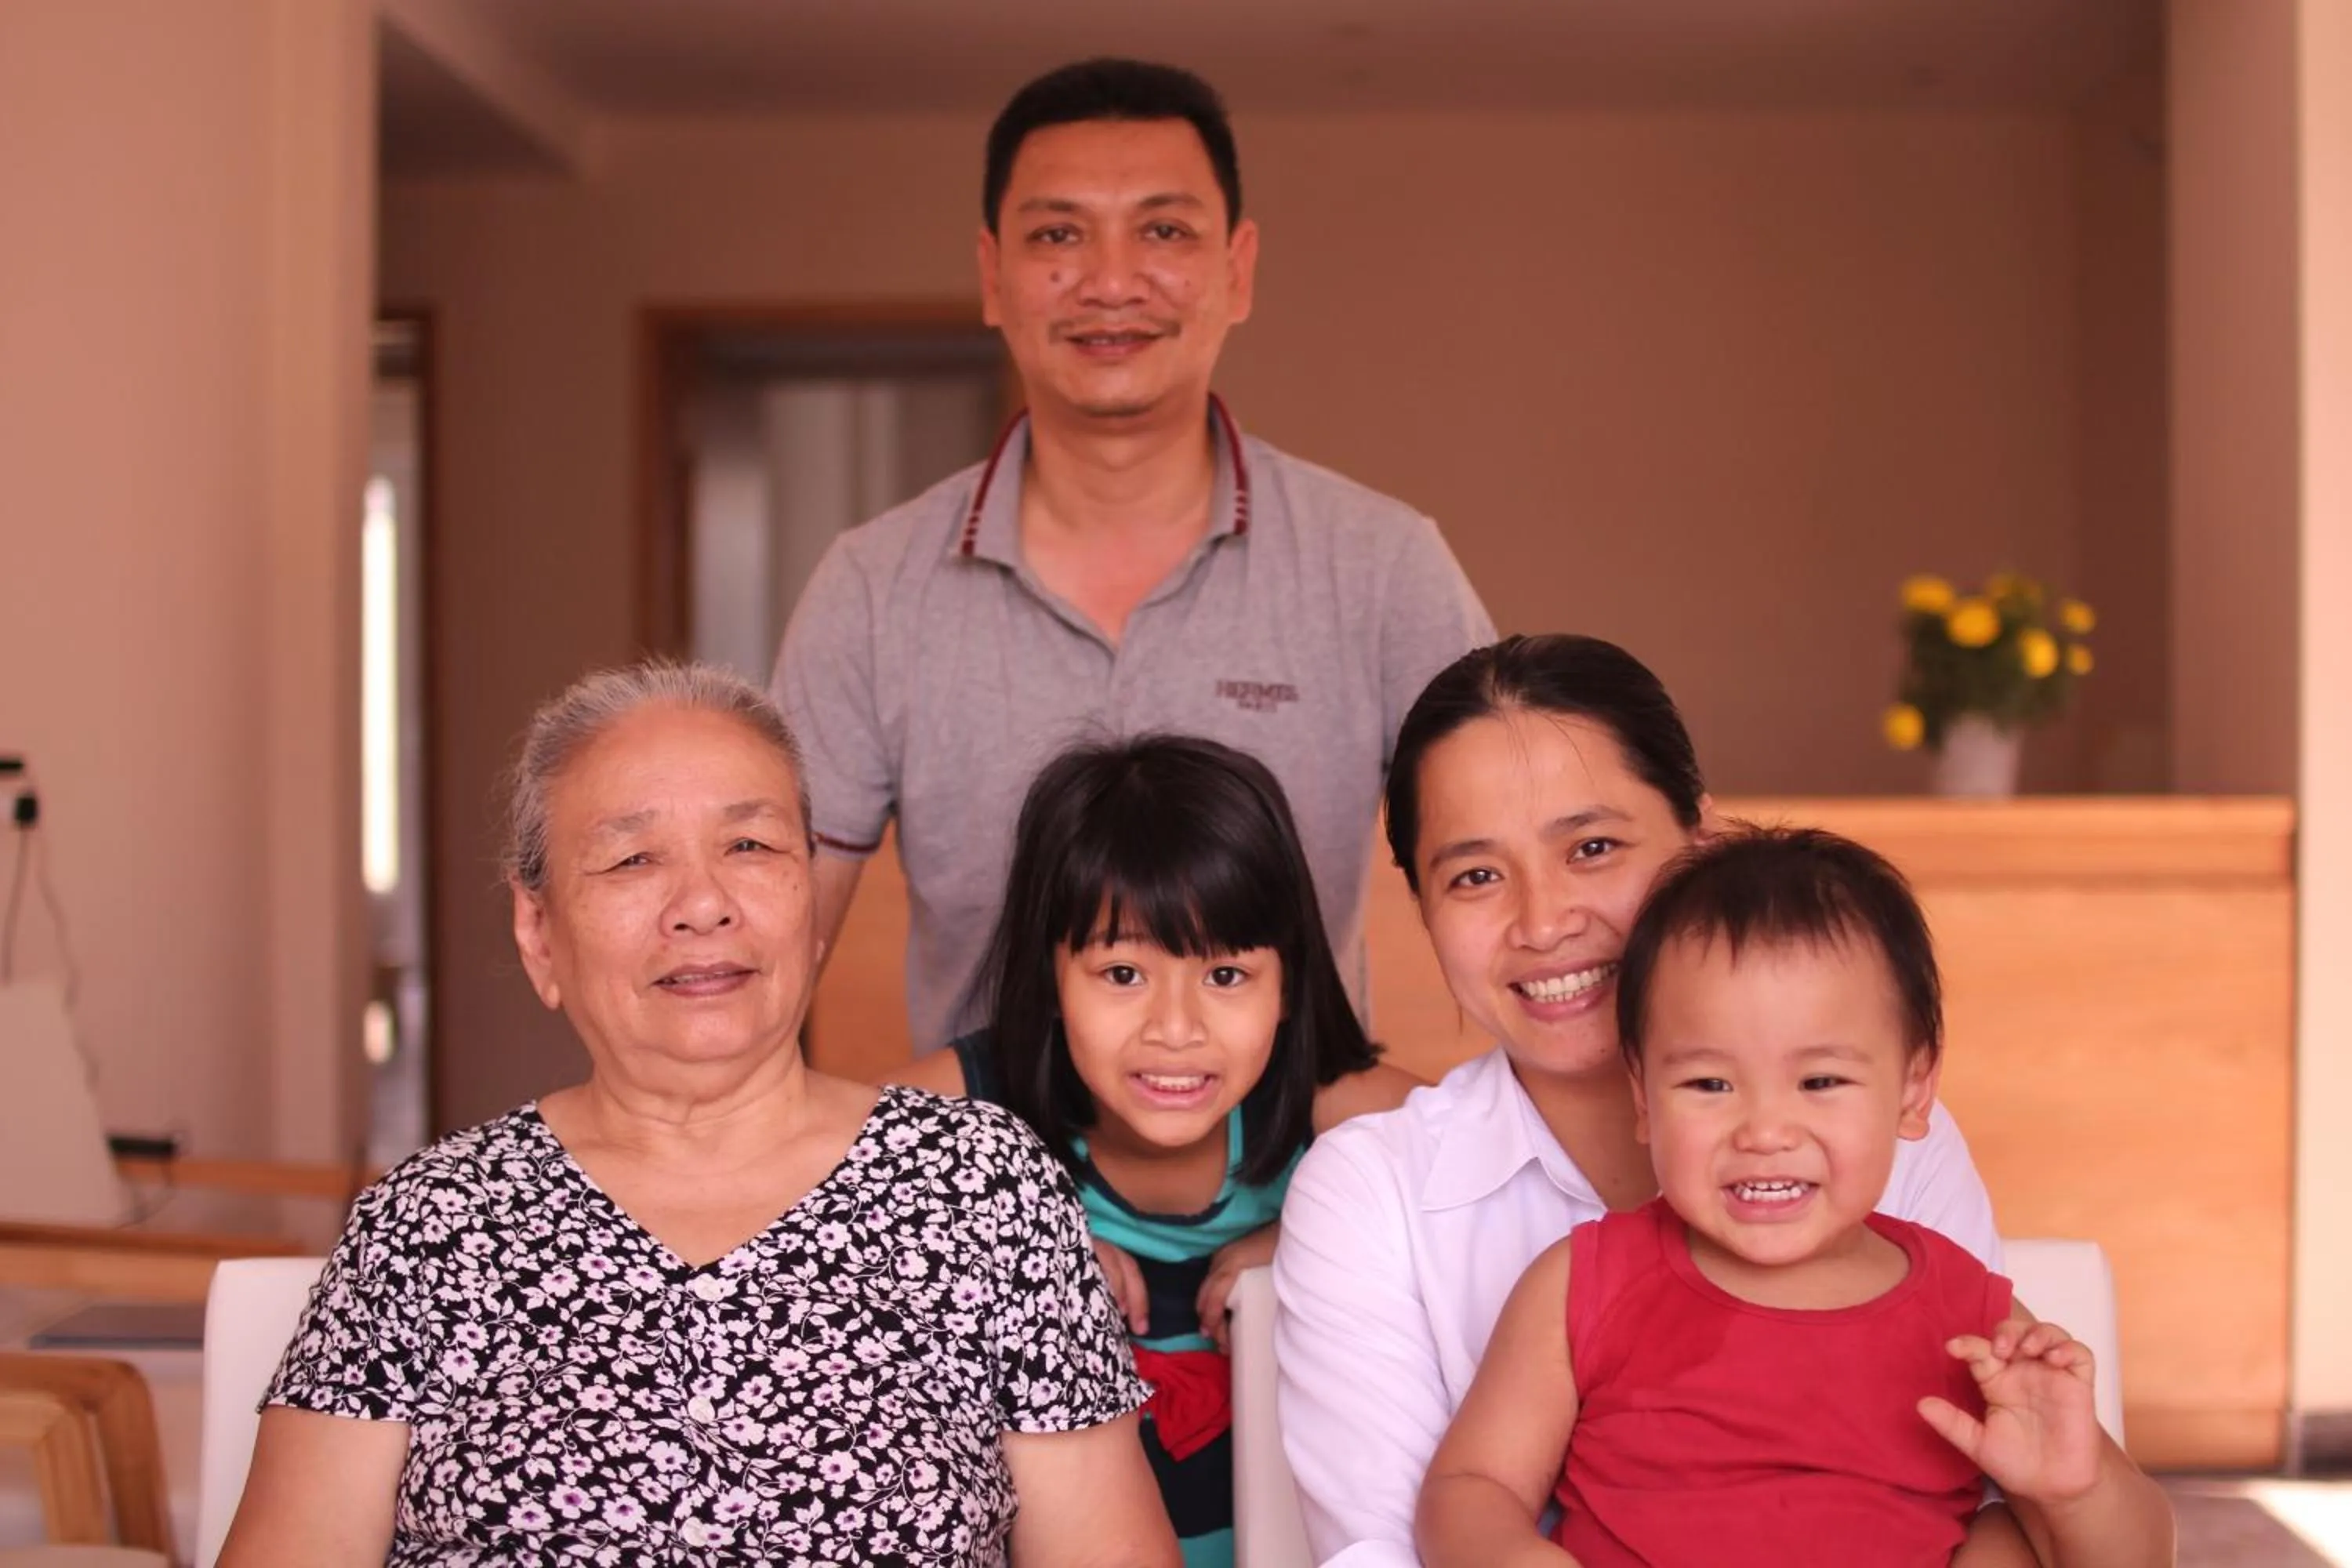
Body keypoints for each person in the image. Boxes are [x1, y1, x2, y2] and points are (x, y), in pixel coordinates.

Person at [218, 663, 1178, 1568]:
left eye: (751, 846)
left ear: (811, 897)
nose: (703, 904)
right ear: (538, 931)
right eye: (632, 858)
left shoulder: (982, 1185)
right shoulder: (431, 1221)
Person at [774, 56, 1492, 1053]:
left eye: (1163, 230)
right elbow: (770, 939)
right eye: (1058, 234)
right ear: (993, 275)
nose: (1111, 282)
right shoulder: (871, 588)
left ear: (1237, 270)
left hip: (1306, 1186)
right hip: (991, 1183)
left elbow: (1517, 891)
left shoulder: (1382, 567)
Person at [1272, 634, 2008, 1566]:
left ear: (1700, 839)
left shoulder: (1890, 1141)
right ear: (1422, 909)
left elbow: (1996, 1496)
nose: (1543, 922)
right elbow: (1384, 1551)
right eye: (1475, 876)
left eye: (1592, 847)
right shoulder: (1371, 1194)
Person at [1415, 826, 2174, 1566]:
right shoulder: (1581, 1284)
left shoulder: (1972, 1320)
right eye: (1710, 1083)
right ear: (1642, 1095)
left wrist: (2074, 1490)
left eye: (1819, 1082)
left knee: (2010, 1541)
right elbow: (1470, 1486)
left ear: (1914, 1089)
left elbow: (2144, 1551)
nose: (1765, 1130)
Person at [891, 733, 1417, 1567]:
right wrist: (1030, 1246)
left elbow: (1503, 1180)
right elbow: (801, 1192)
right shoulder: (961, 1114)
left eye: (1227, 975)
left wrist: (1318, 1232)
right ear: (1052, 974)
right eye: (1123, 973)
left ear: (1288, 985)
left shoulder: (1334, 1108)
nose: (1176, 1030)